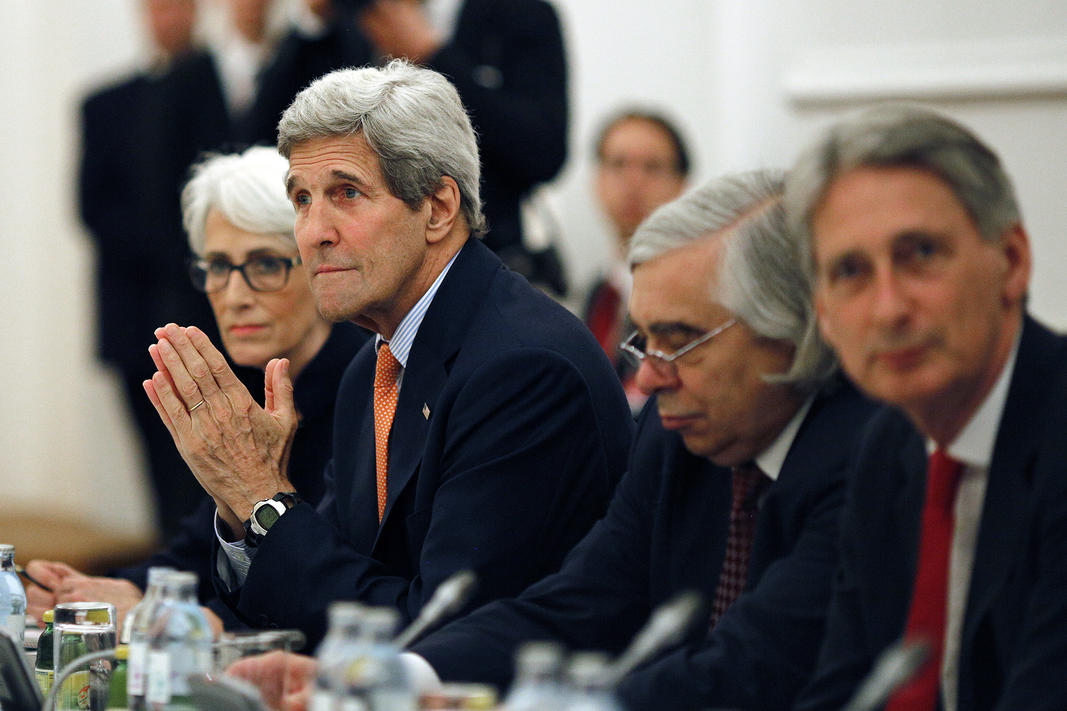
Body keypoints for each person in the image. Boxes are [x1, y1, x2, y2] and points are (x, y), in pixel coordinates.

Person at [236, 171, 874, 711]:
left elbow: (753, 665)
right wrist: (397, 679)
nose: (649, 376)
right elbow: (577, 604)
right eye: (643, 340)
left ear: (790, 330)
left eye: (680, 341)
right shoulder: (676, 433)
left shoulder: (866, 456)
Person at [142, 60, 634, 648]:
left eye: (346, 193)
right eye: (301, 199)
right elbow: (332, 580)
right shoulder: (374, 367)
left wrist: (262, 498)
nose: (313, 231)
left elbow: (435, 631)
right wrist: (239, 500)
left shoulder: (523, 368)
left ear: (438, 207)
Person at [786, 105, 1067, 711]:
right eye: (851, 272)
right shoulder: (888, 446)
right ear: (826, 317)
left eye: (919, 254)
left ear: (1012, 262)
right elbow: (845, 688)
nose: (888, 308)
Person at [26, 147, 369, 634]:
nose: (234, 296)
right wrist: (126, 591)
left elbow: (333, 585)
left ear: (319, 259)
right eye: (218, 266)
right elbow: (200, 543)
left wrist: (185, 618)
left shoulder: (364, 384)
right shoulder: (252, 380)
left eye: (266, 265)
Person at [240, 0, 570, 294]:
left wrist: (434, 55)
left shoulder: (521, 14)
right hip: (361, 276)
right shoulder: (351, 20)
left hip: (486, 261)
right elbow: (261, 141)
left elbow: (544, 152)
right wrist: (311, 21)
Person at [79, 0, 221, 539]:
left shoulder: (219, 90)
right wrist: (170, 253)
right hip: (134, 309)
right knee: (158, 470)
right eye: (159, 8)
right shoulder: (105, 103)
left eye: (179, 7)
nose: (169, 18)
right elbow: (94, 209)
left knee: (205, 466)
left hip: (205, 310)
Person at [583, 109, 690, 411]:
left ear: (682, 185)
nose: (633, 182)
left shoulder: (693, 300)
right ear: (597, 181)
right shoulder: (599, 292)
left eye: (652, 167)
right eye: (618, 165)